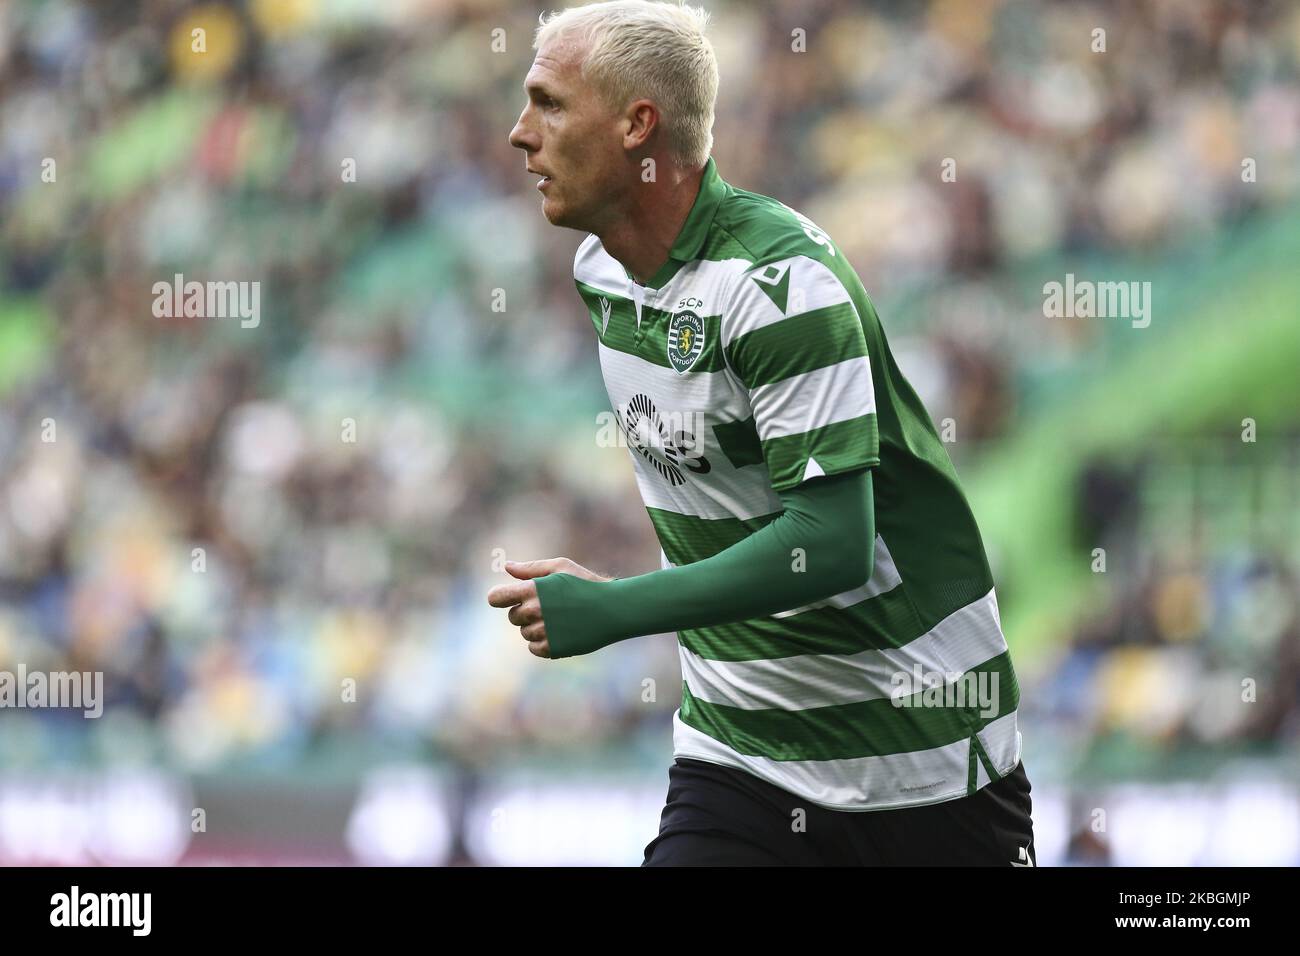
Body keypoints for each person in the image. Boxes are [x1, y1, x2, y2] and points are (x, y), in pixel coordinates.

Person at [492, 0, 1034, 866]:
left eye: (550, 103)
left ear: (639, 126)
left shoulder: (778, 286)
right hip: (739, 756)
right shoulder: (602, 273)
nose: (521, 134)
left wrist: (615, 608)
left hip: (920, 761)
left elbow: (828, 544)